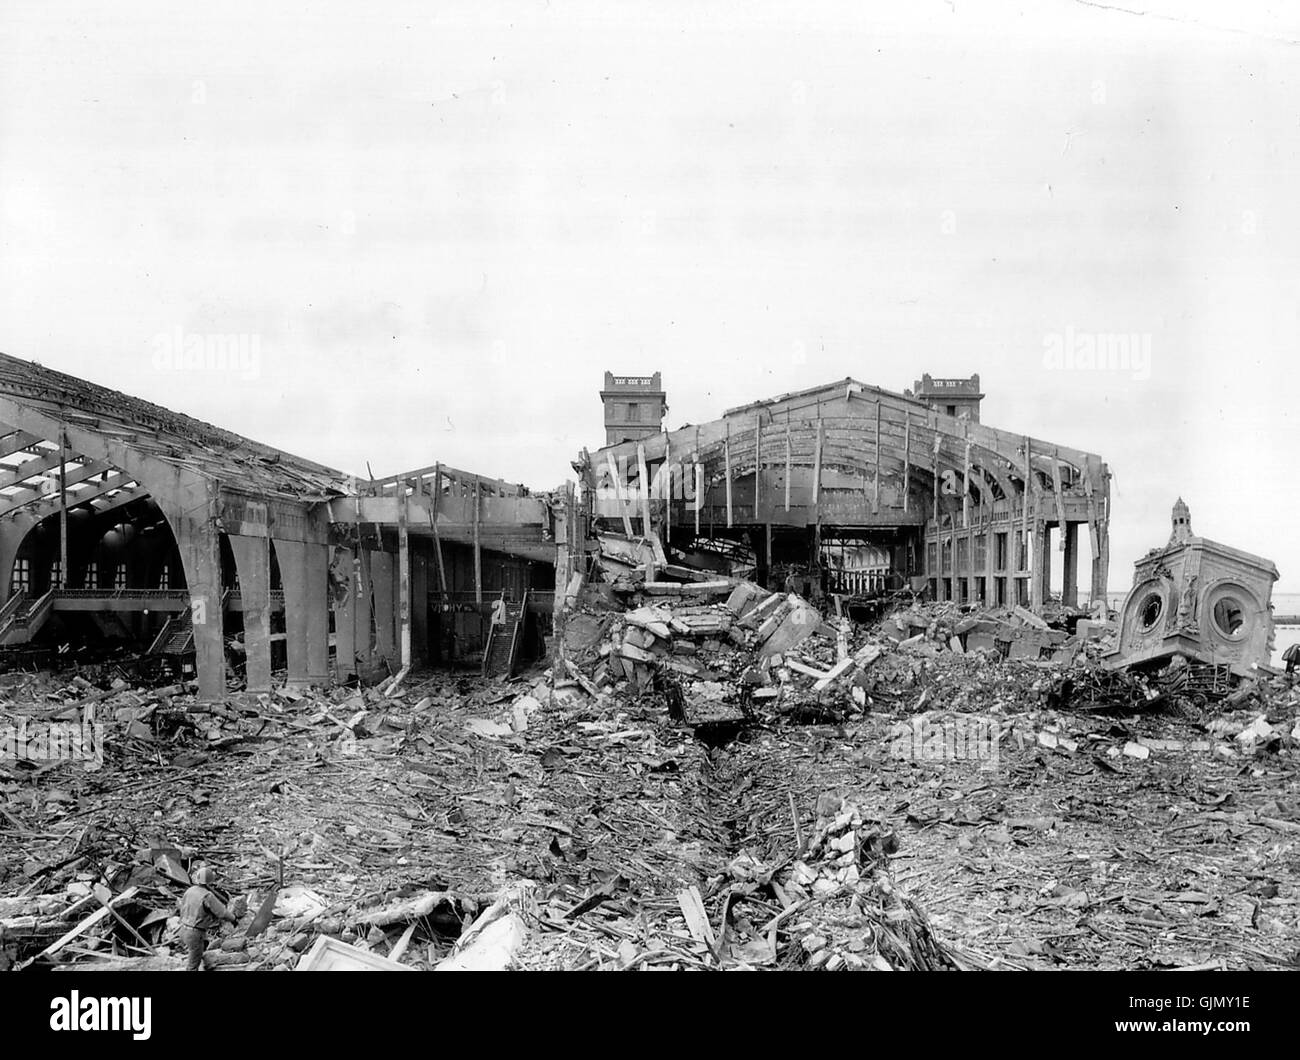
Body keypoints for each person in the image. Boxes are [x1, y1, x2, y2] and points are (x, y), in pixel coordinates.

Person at [178, 866, 239, 971]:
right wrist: (234, 919)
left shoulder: (190, 890)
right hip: (195, 933)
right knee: (193, 966)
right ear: (210, 881)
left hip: (183, 929)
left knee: (202, 947)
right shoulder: (207, 895)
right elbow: (222, 912)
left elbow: (181, 907)